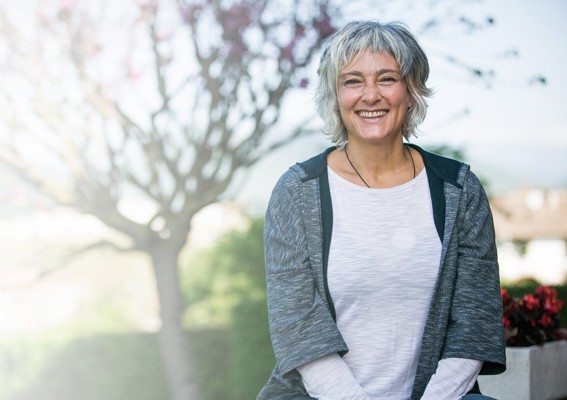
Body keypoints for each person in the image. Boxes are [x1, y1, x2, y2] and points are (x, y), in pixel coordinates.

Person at [257, 20, 506, 400]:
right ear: (335, 95)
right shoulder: (296, 192)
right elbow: (299, 329)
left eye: (387, 78)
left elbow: (473, 324)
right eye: (353, 81)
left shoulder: (459, 190)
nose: (370, 95)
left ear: (411, 90)